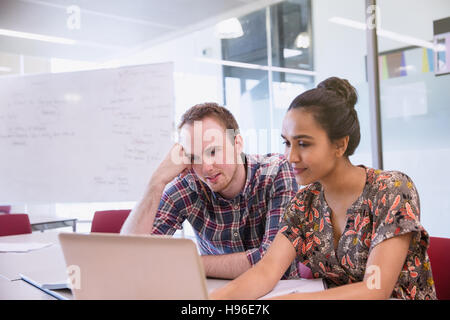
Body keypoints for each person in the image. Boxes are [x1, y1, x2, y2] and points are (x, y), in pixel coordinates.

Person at [210, 77, 436, 299]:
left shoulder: (391, 189)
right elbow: (266, 271)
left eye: (303, 144)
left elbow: (375, 288)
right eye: (287, 143)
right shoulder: (304, 202)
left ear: (340, 145)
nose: (290, 156)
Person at [121, 103, 299, 279]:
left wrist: (187, 262)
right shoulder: (189, 185)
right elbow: (131, 257)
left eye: (213, 152)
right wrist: (156, 181)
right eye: (194, 157)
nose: (206, 168)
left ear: (238, 144)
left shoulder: (276, 172)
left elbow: (273, 261)